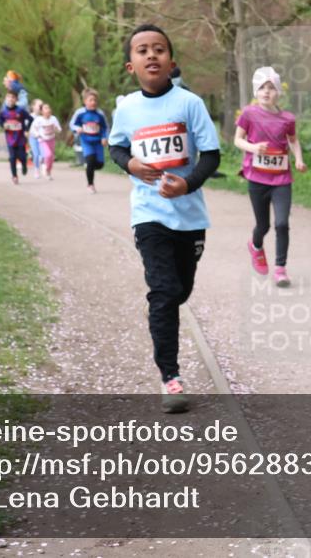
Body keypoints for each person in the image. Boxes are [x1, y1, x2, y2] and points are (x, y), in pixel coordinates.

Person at [108, 24, 221, 413]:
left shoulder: (190, 104)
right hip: (148, 214)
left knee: (179, 291)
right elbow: (116, 147)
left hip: (189, 217)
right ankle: (170, 378)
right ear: (131, 65)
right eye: (142, 50)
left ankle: (161, 303)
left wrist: (188, 184)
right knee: (165, 293)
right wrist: (131, 164)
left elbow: (211, 155)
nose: (151, 55)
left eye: (159, 49)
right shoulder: (127, 109)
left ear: (171, 62)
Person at [234, 66, 307, 286]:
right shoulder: (249, 113)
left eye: (271, 88)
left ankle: (280, 269)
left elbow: (293, 140)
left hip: (282, 179)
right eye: (262, 88)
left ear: (278, 92)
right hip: (257, 179)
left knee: (282, 223)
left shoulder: (287, 118)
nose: (267, 92)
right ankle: (255, 245)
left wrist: (299, 159)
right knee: (263, 226)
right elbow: (238, 140)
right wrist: (254, 148)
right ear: (256, 92)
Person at [69, 88, 109, 193]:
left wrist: (105, 137)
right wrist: (77, 128)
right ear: (85, 101)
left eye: (95, 100)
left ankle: (89, 167)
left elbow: (105, 127)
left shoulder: (100, 114)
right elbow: (72, 124)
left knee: (100, 165)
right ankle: (90, 184)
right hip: (86, 141)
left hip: (98, 141)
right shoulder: (80, 113)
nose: (93, 102)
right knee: (90, 161)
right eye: (90, 100)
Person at [0, 90, 33, 185]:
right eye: (9, 97)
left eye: (13, 97)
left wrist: (26, 129)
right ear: (6, 99)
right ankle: (14, 176)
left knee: (22, 156)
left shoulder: (20, 111)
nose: (10, 99)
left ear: (16, 99)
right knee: (12, 157)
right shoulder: (3, 112)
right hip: (10, 138)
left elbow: (30, 119)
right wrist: (3, 125)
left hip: (20, 138)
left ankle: (24, 165)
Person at [30, 103, 62, 180]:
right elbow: (33, 130)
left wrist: (56, 129)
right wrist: (38, 135)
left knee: (51, 158)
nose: (48, 110)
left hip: (51, 140)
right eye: (46, 108)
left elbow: (59, 129)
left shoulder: (53, 118)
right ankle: (43, 168)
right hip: (42, 140)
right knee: (48, 155)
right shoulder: (38, 120)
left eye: (49, 108)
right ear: (41, 111)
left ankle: (48, 171)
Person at [28, 98, 44, 179]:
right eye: (39, 105)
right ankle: (37, 170)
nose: (41, 107)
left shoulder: (43, 117)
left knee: (43, 155)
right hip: (33, 138)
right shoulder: (30, 117)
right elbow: (27, 128)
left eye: (42, 105)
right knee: (36, 154)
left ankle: (44, 168)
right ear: (33, 106)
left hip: (42, 139)